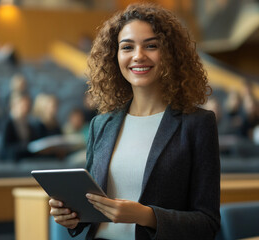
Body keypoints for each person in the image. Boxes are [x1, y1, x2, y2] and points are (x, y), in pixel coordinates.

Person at [49, 4, 220, 240]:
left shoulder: (198, 124)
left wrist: (144, 215)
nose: (138, 55)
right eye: (127, 47)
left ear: (170, 54)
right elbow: (90, 208)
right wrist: (71, 215)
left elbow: (207, 224)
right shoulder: (101, 124)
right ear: (115, 56)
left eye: (151, 45)